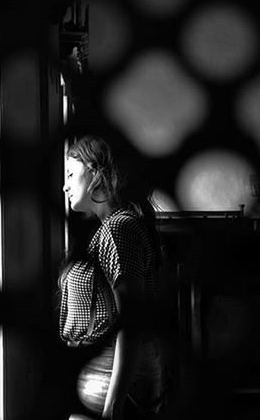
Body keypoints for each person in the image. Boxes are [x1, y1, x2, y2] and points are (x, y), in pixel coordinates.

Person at [58, 135, 167, 420]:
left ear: (96, 172)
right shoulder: (112, 227)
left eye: (71, 173)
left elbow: (131, 321)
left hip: (111, 376)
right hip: (103, 372)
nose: (65, 185)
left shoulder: (119, 229)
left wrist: (113, 405)